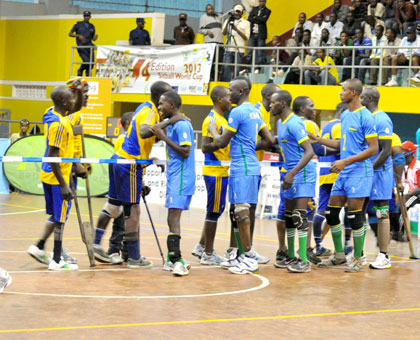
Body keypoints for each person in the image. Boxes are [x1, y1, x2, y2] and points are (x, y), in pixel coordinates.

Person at [95, 81, 182, 269]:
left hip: (120, 160)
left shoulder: (143, 107)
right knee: (133, 211)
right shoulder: (151, 111)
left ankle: (95, 243)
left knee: (113, 207)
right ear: (160, 97)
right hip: (129, 164)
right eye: (166, 98)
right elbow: (143, 132)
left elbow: (149, 135)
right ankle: (134, 257)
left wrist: (149, 158)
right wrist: (170, 121)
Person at [310, 78, 378, 272]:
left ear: (353, 93)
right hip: (345, 171)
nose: (340, 93)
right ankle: (339, 255)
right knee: (331, 213)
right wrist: (319, 140)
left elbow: (373, 149)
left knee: (355, 216)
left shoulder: (366, 117)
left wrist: (345, 162)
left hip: (359, 171)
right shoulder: (346, 115)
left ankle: (357, 258)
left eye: (343, 90)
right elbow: (343, 145)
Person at [208, 77, 274, 274]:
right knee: (240, 212)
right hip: (252, 166)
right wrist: (249, 146)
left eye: (231, 89)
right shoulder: (255, 111)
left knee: (242, 213)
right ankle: (238, 256)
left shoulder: (237, 112)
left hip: (242, 167)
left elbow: (220, 143)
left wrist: (212, 128)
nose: (228, 93)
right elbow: (269, 139)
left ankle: (246, 258)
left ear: (241, 91)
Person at [27, 81, 87, 268]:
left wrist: (75, 93)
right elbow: (54, 156)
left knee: (56, 216)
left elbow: (75, 108)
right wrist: (64, 184)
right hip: (58, 177)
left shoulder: (51, 112)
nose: (74, 102)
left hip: (50, 175)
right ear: (63, 101)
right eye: (71, 99)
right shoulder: (59, 125)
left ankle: (42, 247)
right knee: (60, 219)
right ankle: (56, 260)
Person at [270, 91, 317, 273]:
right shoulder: (281, 123)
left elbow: (309, 151)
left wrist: (292, 174)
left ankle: (303, 260)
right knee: (289, 217)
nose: (270, 105)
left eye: (273, 102)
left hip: (302, 173)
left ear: (282, 103)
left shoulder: (295, 123)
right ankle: (290, 256)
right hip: (290, 172)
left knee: (299, 215)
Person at [150, 91, 196, 276]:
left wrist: (163, 137)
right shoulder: (175, 122)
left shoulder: (182, 124)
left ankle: (177, 260)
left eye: (161, 103)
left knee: (173, 217)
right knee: (172, 217)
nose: (159, 107)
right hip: (175, 176)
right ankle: (172, 258)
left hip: (182, 177)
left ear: (172, 105)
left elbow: (185, 151)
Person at [191, 86, 231, 265]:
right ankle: (208, 254)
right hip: (215, 172)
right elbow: (205, 147)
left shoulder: (222, 119)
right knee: (214, 212)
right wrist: (221, 142)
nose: (231, 100)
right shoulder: (212, 120)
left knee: (216, 209)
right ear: (220, 99)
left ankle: (201, 246)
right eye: (228, 96)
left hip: (221, 171)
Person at [91, 112, 133, 265]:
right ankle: (111, 249)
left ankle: (125, 251)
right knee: (115, 210)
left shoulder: (130, 137)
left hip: (127, 176)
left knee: (121, 213)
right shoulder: (124, 138)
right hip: (121, 175)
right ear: (128, 122)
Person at [360, 87, 393, 270]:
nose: (360, 98)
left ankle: (384, 255)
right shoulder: (365, 118)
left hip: (379, 173)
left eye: (363, 96)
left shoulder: (382, 118)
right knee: (359, 210)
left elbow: (386, 151)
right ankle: (360, 253)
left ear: (370, 98)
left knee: (382, 212)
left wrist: (370, 170)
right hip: (366, 171)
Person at [313, 103, 347, 256]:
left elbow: (319, 149)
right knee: (342, 210)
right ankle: (345, 244)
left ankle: (318, 244)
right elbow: (341, 147)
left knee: (323, 210)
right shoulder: (339, 126)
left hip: (324, 172)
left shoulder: (325, 127)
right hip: (337, 171)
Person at [221, 5, 250, 82]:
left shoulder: (246, 23)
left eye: (238, 11)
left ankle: (235, 84)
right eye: (236, 11)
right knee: (226, 67)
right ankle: (225, 84)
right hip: (229, 48)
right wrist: (228, 20)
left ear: (242, 13)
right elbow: (224, 33)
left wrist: (236, 30)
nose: (237, 13)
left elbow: (246, 38)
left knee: (237, 69)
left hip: (239, 49)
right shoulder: (229, 20)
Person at [69, 11, 98, 77]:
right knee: (87, 61)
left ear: (90, 17)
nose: (86, 17)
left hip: (90, 46)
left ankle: (88, 75)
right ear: (83, 16)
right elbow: (70, 34)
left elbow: (92, 38)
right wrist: (78, 35)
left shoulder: (92, 26)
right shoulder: (78, 24)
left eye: (88, 16)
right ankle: (80, 70)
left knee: (92, 64)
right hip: (81, 46)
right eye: (85, 16)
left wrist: (95, 38)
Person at [245, 0, 271, 73]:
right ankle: (248, 68)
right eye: (260, 1)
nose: (261, 3)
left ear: (265, 2)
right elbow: (249, 18)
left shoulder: (268, 11)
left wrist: (255, 17)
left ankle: (258, 68)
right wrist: (258, 18)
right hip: (252, 33)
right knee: (249, 52)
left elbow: (264, 20)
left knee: (260, 52)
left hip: (261, 34)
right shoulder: (254, 9)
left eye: (263, 1)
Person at [199, 4, 224, 80]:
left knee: (220, 62)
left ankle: (218, 78)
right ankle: (211, 78)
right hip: (210, 43)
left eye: (212, 9)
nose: (210, 10)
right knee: (211, 62)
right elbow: (200, 30)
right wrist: (207, 31)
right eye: (209, 9)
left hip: (219, 42)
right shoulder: (204, 17)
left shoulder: (219, 17)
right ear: (206, 10)